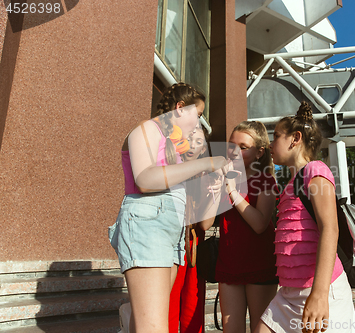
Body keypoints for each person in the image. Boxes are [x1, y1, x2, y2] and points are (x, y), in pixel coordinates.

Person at [108, 83, 226, 333]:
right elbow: (145, 180)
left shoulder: (175, 147)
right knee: (154, 327)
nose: (200, 123)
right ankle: (132, 316)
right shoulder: (147, 129)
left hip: (170, 230)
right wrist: (205, 164)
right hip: (148, 222)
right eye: (199, 114)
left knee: (154, 321)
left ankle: (131, 316)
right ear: (180, 109)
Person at [255, 102, 355, 333]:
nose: (270, 144)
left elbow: (330, 229)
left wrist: (320, 294)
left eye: (276, 137)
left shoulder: (316, 170)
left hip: (321, 290)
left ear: (295, 138)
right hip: (289, 293)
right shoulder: (291, 183)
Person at [216, 121, 278, 333]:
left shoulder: (266, 179)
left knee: (260, 329)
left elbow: (260, 224)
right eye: (231, 145)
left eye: (242, 147)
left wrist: (233, 192)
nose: (234, 151)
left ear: (260, 152)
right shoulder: (223, 179)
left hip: (259, 263)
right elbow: (206, 224)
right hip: (229, 264)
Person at [169, 126, 216, 333]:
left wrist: (214, 194)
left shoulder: (206, 175)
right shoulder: (169, 168)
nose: (193, 145)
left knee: (192, 310)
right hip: (169, 243)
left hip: (194, 246)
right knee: (167, 307)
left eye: (199, 142)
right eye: (189, 139)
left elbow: (205, 224)